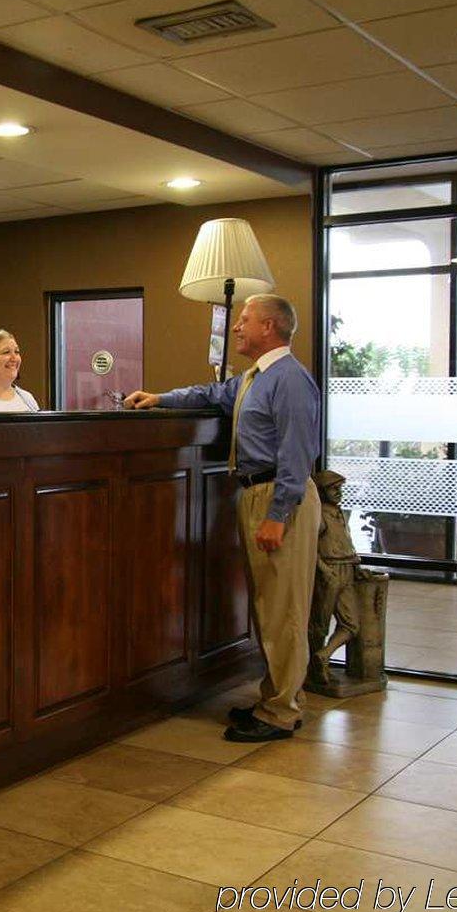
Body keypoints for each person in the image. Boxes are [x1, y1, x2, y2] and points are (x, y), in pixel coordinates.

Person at [123, 294, 321, 742]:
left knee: (284, 609)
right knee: (269, 605)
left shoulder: (289, 380)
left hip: (278, 497)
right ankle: (275, 698)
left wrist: (278, 515)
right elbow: (213, 394)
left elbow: (296, 454)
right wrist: (161, 398)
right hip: (256, 493)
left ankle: (282, 712)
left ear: (269, 327)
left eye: (244, 320)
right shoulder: (255, 378)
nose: (236, 327)